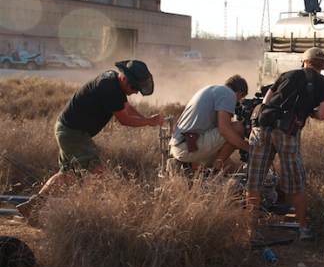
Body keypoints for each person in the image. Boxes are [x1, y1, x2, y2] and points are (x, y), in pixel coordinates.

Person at [17, 60, 164, 224]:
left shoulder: (114, 81)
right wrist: (149, 121)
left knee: (66, 174)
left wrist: (147, 119)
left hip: (67, 130)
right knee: (96, 170)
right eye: (134, 88)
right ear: (124, 80)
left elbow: (127, 109)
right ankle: (81, 213)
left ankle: (32, 206)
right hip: (73, 133)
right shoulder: (109, 88)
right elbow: (124, 119)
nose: (136, 92)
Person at [246, 47, 324, 241]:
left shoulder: (287, 74)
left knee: (254, 180)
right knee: (295, 181)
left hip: (262, 127)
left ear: (305, 62)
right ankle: (304, 228)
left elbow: (266, 101)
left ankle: (251, 230)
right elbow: (322, 114)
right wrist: (307, 112)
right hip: (287, 132)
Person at [168, 75, 250, 174]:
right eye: (240, 99)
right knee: (237, 128)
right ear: (239, 93)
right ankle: (211, 173)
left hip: (181, 146)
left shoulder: (213, 89)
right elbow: (225, 130)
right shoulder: (229, 94)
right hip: (188, 147)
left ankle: (186, 168)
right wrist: (250, 149)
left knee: (230, 167)